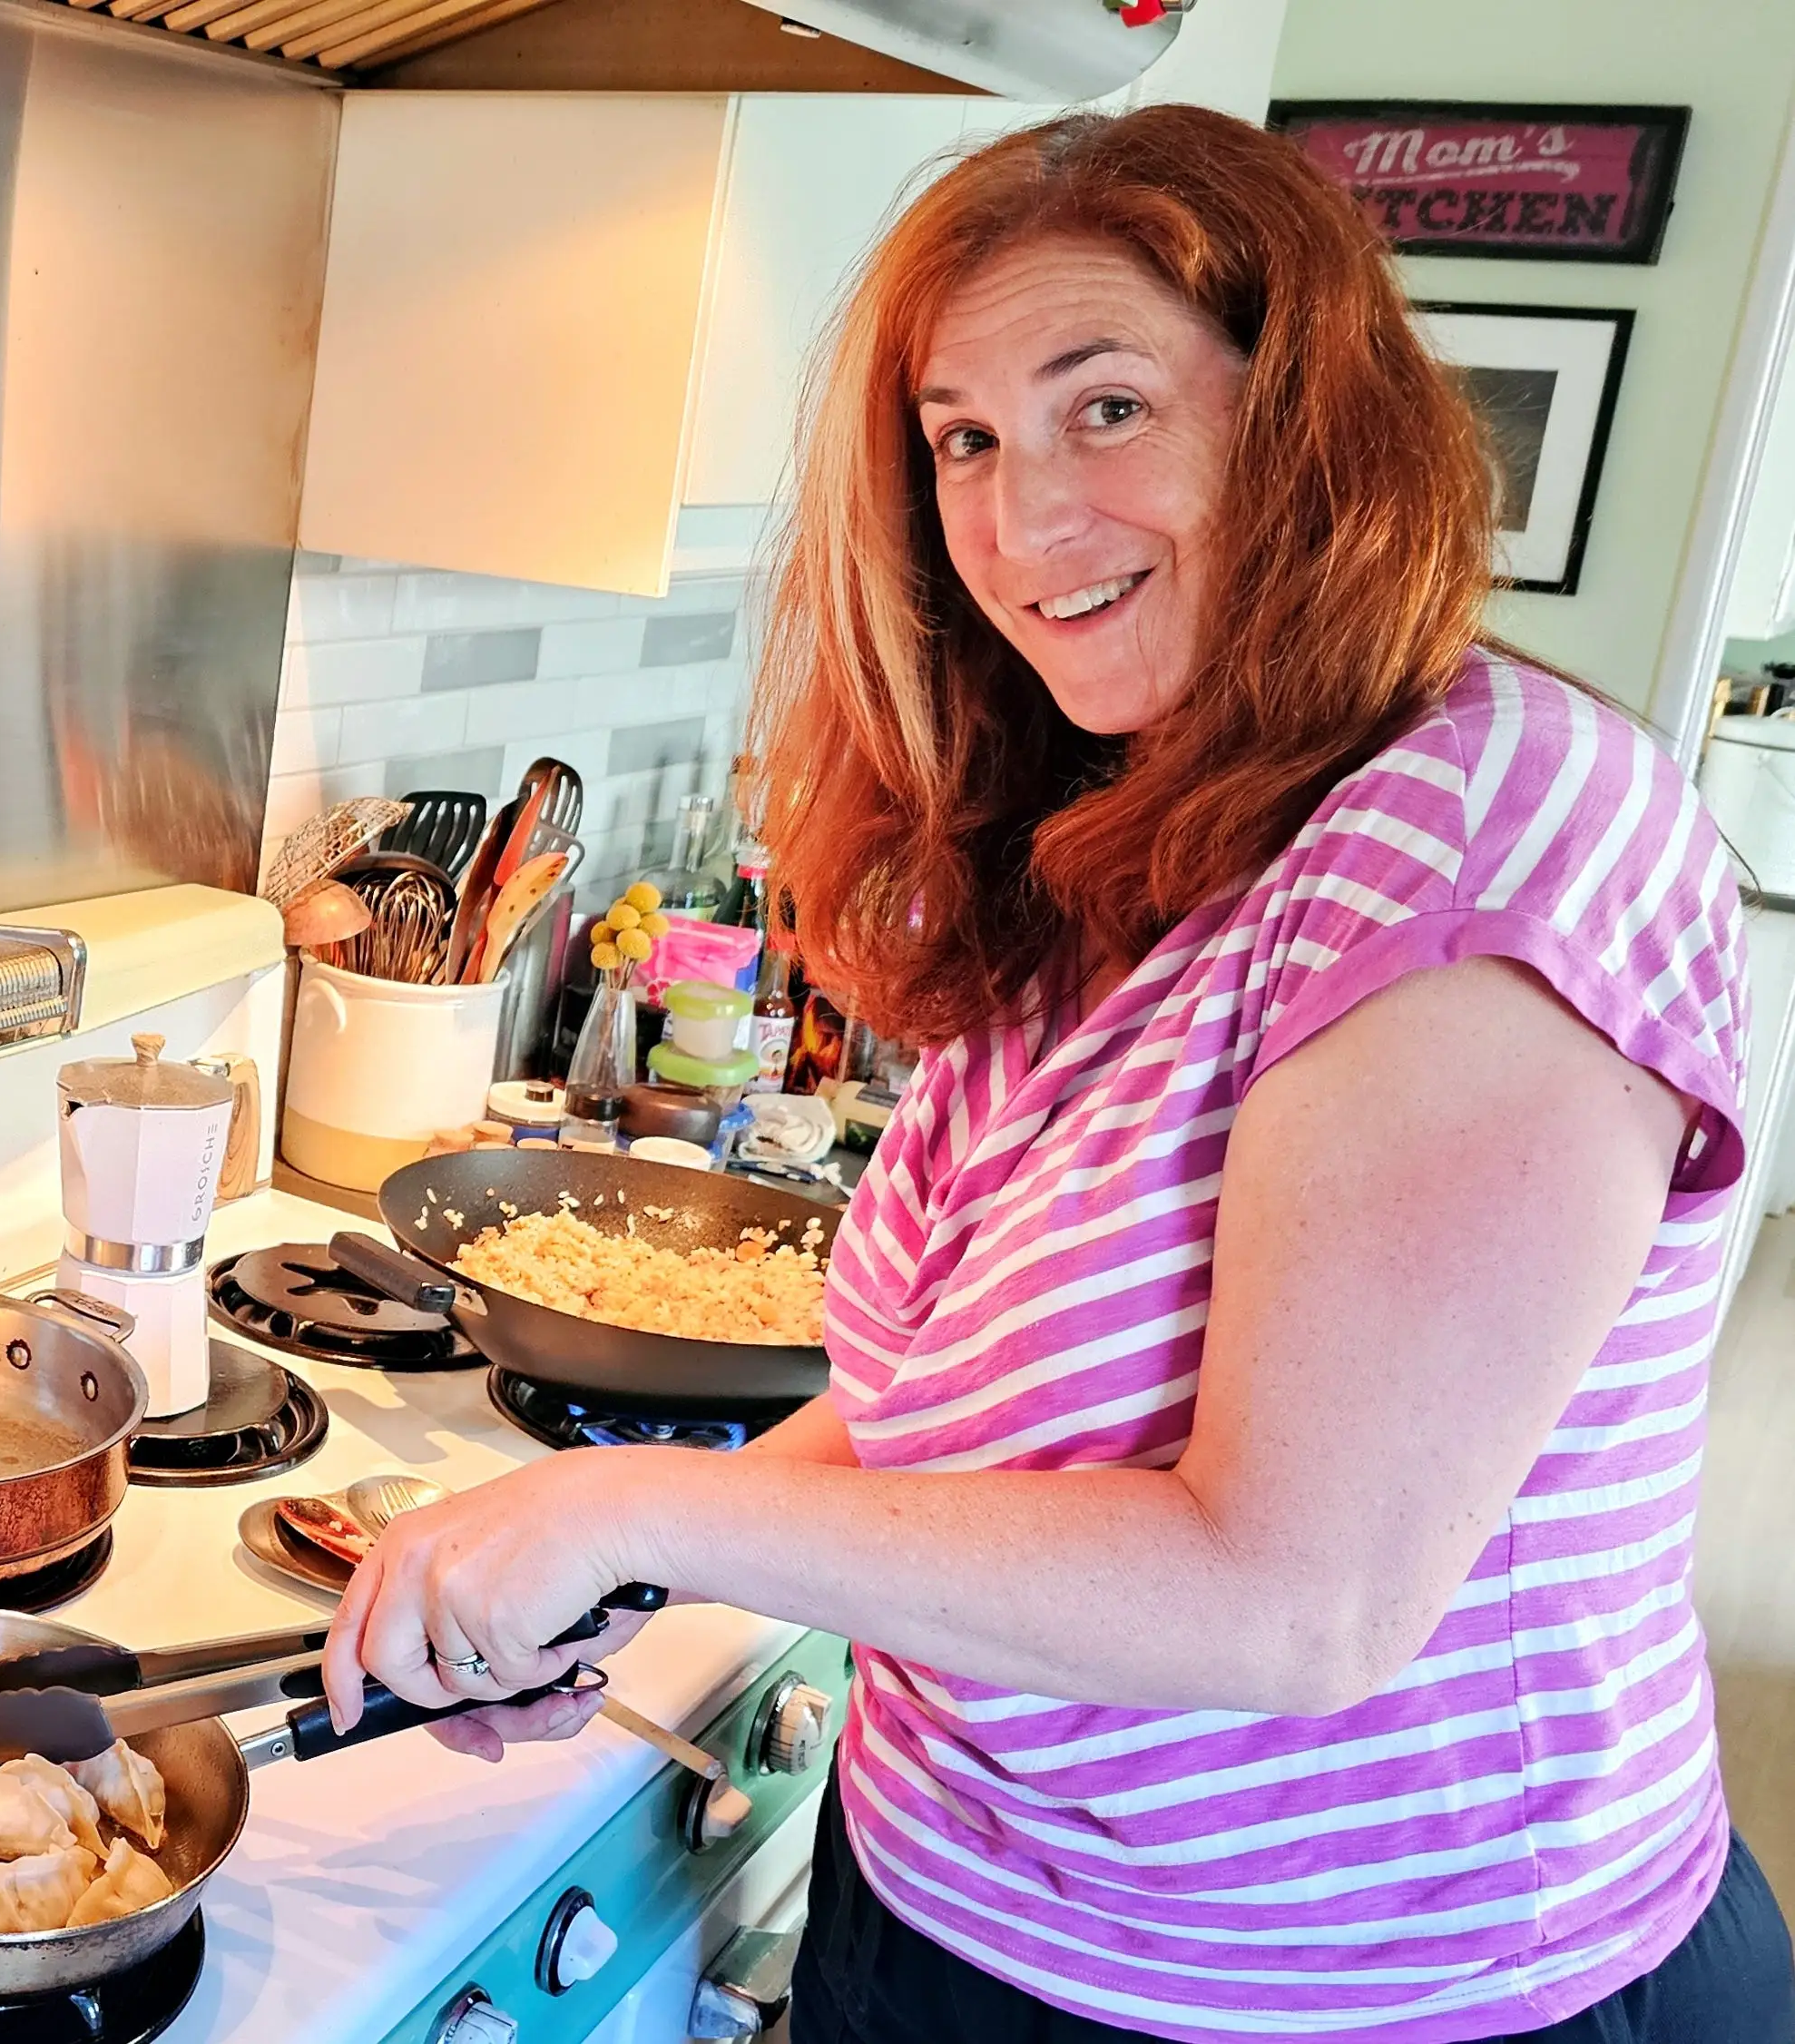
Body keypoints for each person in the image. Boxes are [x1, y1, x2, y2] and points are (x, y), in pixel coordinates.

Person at [319, 104, 1795, 2043]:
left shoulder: (1483, 830)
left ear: (1303, 416)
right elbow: (956, 1419)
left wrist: (634, 1519)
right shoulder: (1123, 836)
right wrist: (618, 1591)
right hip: (950, 1917)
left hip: (1381, 1994)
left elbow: (1295, 1599)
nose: (1021, 523)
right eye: (965, 441)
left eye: (1105, 408)